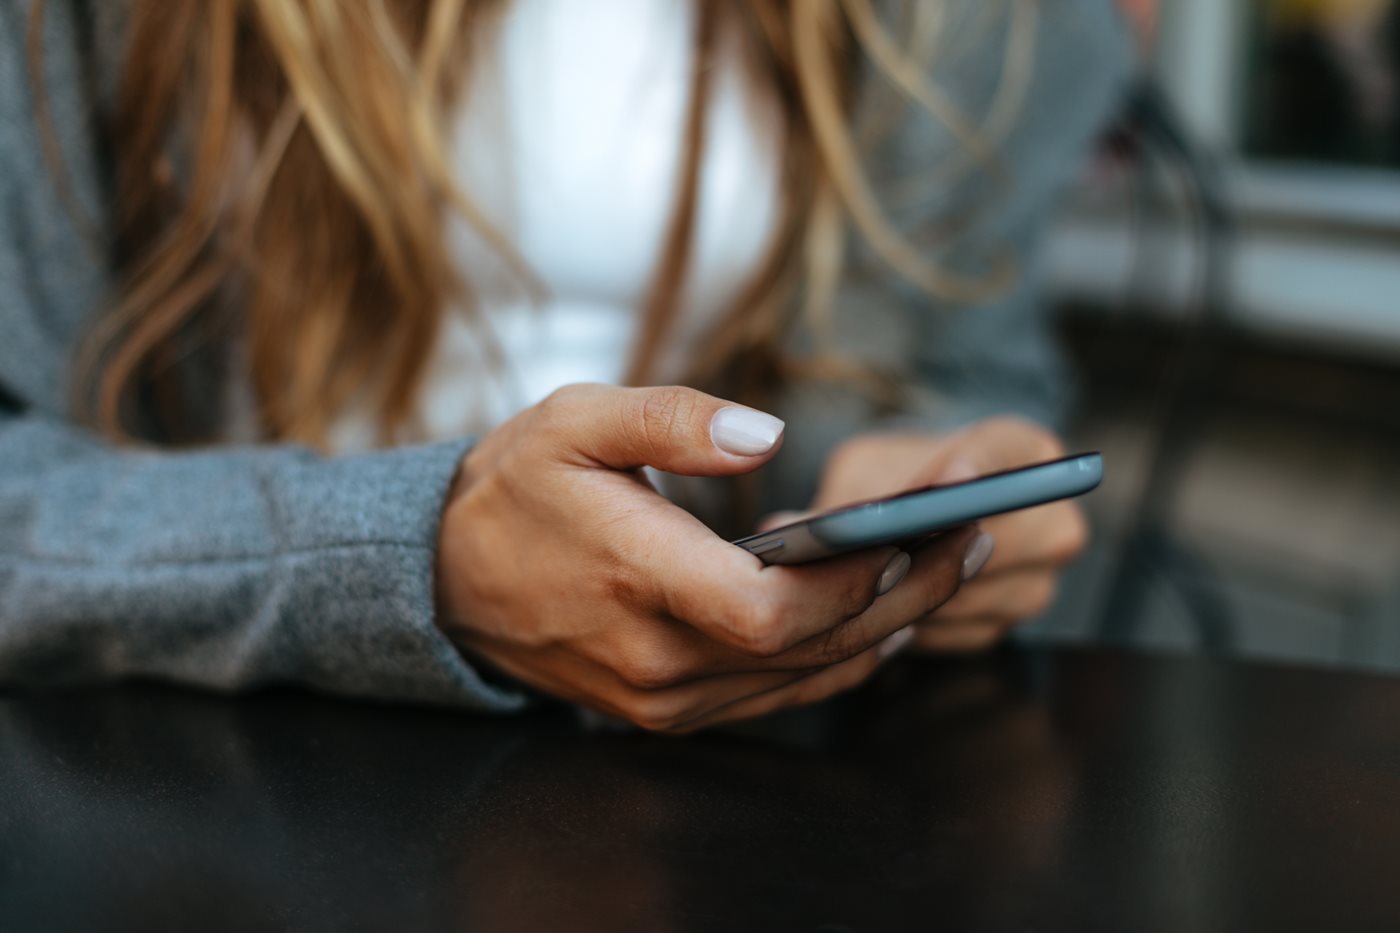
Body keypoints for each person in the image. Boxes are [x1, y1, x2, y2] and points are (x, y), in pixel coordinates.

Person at [1, 0, 1137, 732]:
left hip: (678, 784)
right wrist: (412, 557)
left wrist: (925, 470)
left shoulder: (966, 26)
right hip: (198, 763)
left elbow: (959, 365)